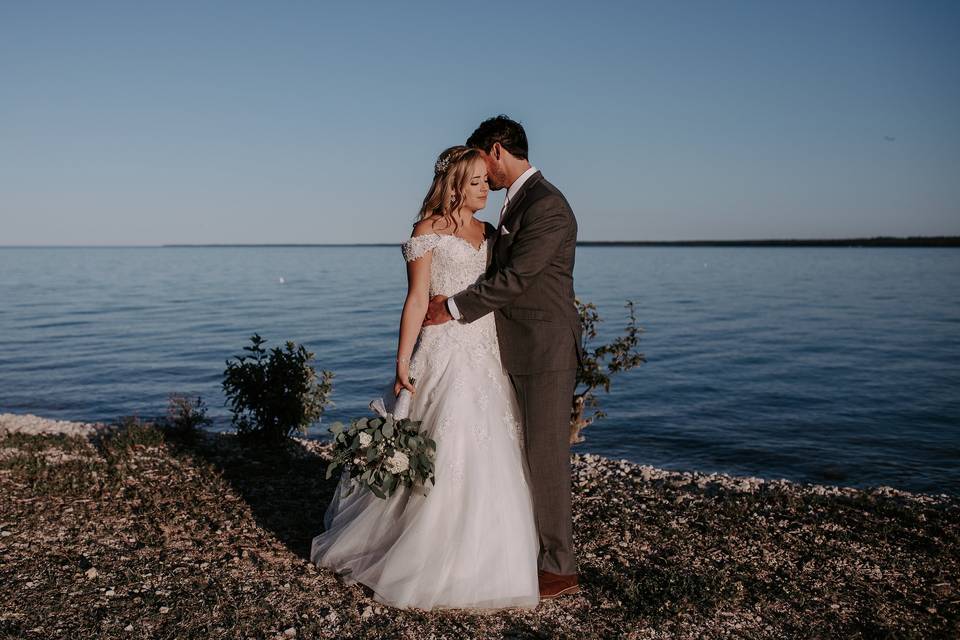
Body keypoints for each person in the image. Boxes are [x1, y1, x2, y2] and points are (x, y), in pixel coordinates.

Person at [310, 145, 541, 610]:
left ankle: (495, 560)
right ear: (454, 183)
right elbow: (418, 299)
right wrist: (401, 359)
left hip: (486, 349)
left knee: (493, 447)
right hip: (442, 351)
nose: (485, 189)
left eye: (486, 181)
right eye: (475, 181)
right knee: (444, 442)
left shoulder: (491, 233)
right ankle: (421, 551)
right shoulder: (427, 231)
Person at [424, 115, 582, 599]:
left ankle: (559, 567)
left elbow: (517, 278)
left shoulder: (548, 206)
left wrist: (450, 307)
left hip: (544, 348)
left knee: (546, 456)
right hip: (506, 346)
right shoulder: (515, 205)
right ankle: (516, 549)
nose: (482, 177)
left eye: (481, 165)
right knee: (515, 453)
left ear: (496, 151)